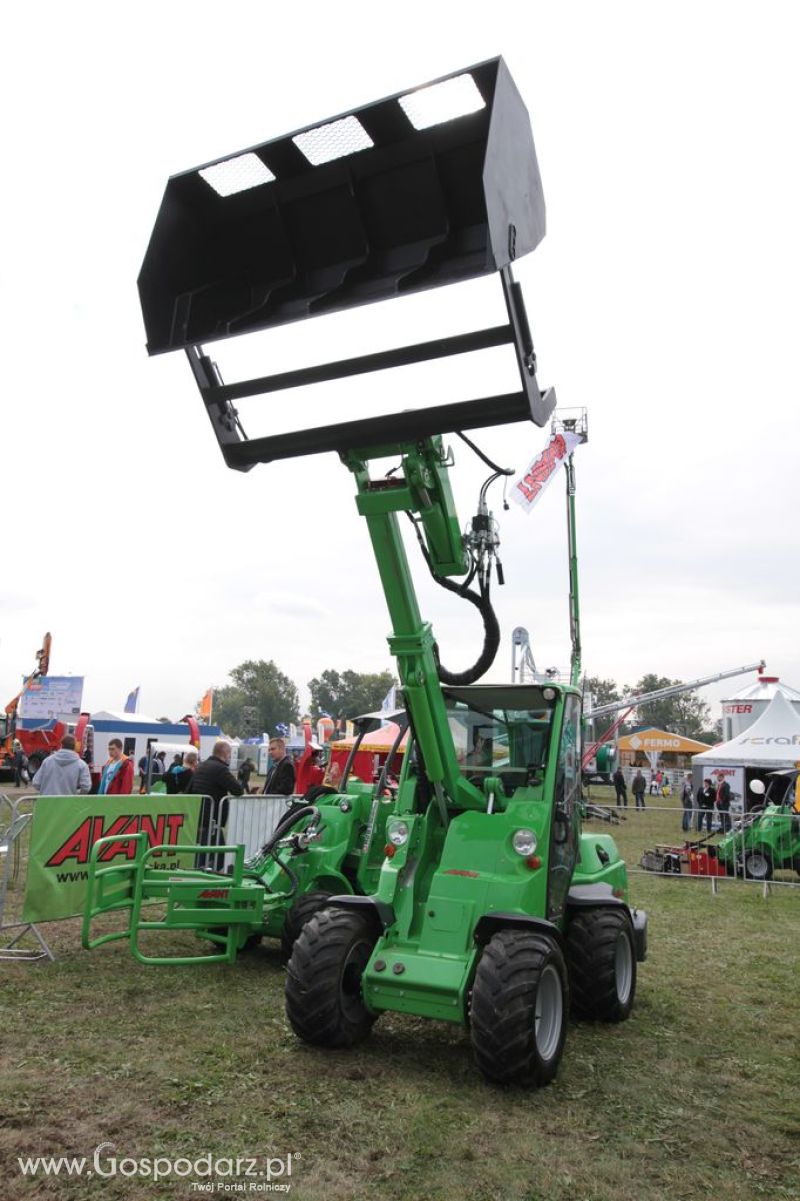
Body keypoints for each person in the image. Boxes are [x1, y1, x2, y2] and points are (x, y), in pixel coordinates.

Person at [188, 740, 243, 863]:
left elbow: (189, 788)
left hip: (198, 814)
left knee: (203, 850)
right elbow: (238, 790)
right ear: (225, 754)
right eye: (229, 754)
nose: (230, 757)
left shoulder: (201, 766)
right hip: (212, 819)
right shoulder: (220, 769)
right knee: (217, 856)